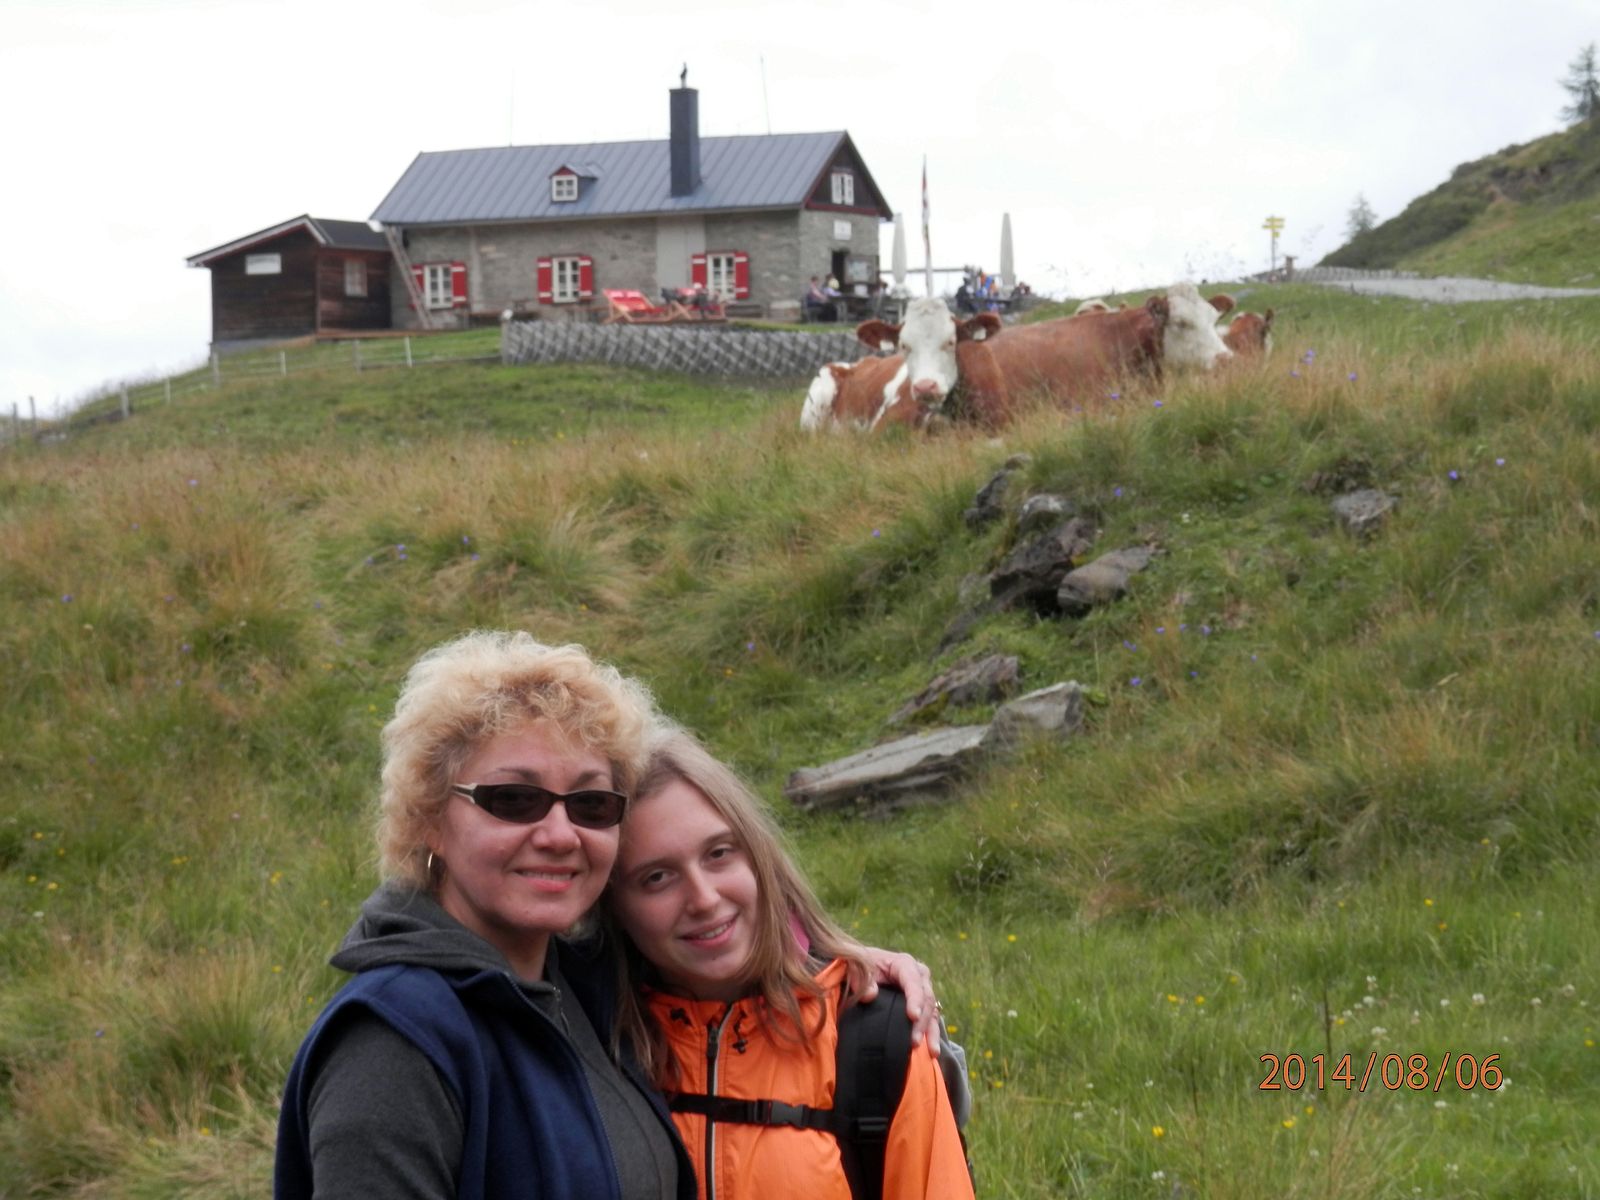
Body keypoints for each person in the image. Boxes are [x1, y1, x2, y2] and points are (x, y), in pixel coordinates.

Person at [274, 631, 944, 1200]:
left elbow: (716, 929)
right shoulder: (395, 1044)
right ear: (429, 821)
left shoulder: (577, 994)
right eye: (514, 799)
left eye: (591, 805)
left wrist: (843, 960)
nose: (560, 834)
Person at [604, 726, 975, 1200]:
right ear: (613, 904)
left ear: (760, 858)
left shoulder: (877, 1036)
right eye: (656, 877)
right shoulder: (597, 1037)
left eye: (719, 853)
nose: (703, 898)